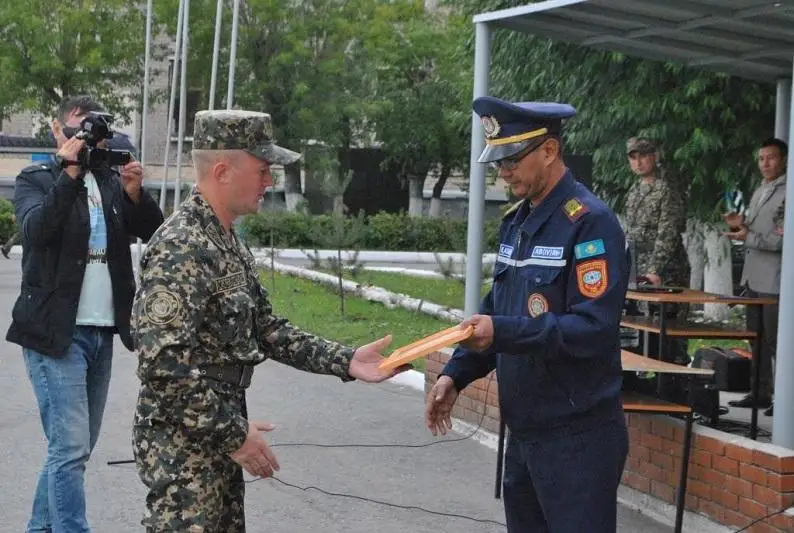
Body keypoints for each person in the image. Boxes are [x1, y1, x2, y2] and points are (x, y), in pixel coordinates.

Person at [131, 109, 407, 533]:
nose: (269, 182)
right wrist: (234, 434)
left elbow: (266, 328)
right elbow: (164, 368)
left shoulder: (227, 241)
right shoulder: (181, 245)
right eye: (263, 170)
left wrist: (346, 360)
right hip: (184, 441)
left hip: (216, 425)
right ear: (223, 171)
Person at [425, 96, 629, 533]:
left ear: (550, 151)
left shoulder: (590, 222)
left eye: (512, 158)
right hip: (524, 433)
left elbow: (592, 327)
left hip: (576, 438)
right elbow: (498, 307)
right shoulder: (519, 221)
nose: (503, 171)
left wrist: (500, 332)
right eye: (497, 160)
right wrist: (455, 374)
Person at [6, 95, 164, 533]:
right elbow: (37, 231)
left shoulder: (110, 181)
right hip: (55, 334)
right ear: (60, 132)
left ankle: (40, 528)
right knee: (70, 448)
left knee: (73, 449)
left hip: (102, 333)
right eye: (78, 130)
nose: (87, 140)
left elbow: (154, 232)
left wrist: (135, 194)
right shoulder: (36, 178)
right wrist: (69, 172)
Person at [621, 137, 691, 399]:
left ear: (655, 156)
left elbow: (668, 232)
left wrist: (655, 268)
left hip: (666, 271)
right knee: (644, 328)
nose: (638, 162)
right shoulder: (635, 191)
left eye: (644, 156)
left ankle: (676, 386)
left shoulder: (666, 189)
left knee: (671, 329)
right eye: (633, 157)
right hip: (640, 269)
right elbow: (632, 232)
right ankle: (649, 382)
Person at [723, 137, 787, 416]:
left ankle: (784, 399)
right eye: (761, 159)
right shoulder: (761, 189)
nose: (765, 164)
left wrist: (749, 236)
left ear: (784, 159)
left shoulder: (788, 190)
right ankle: (760, 392)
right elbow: (758, 233)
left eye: (771, 158)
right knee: (756, 339)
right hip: (753, 277)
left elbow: (783, 240)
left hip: (774, 279)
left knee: (777, 341)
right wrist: (741, 227)